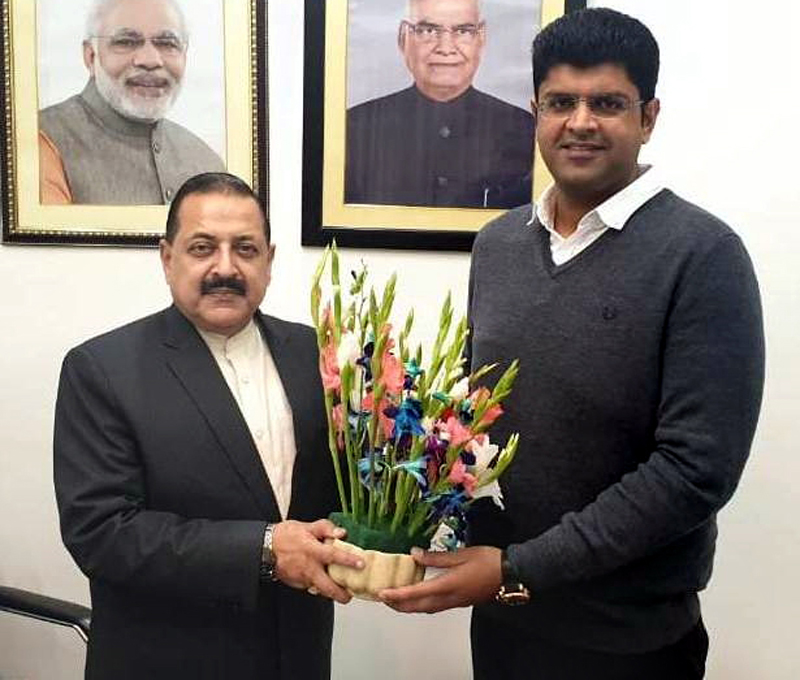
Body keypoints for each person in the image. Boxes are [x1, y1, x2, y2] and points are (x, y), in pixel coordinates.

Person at [380, 9, 765, 680]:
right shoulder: (498, 245)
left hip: (628, 642)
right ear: (535, 113)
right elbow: (476, 423)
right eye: (560, 102)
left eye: (607, 103)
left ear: (648, 117)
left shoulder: (703, 255)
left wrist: (517, 567)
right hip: (503, 622)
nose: (580, 122)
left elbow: (694, 471)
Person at [53, 172, 363, 679]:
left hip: (298, 657)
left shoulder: (320, 355)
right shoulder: (103, 369)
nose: (225, 267)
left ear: (269, 261)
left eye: (245, 248)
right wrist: (265, 548)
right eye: (203, 248)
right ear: (167, 258)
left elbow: (352, 487)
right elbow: (102, 533)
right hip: (166, 661)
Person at [345, 0, 534, 208]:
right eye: (428, 30)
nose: (445, 49)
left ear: (481, 39)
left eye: (463, 31)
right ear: (403, 39)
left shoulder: (524, 129)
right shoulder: (355, 128)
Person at [39, 0, 224, 205]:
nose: (150, 60)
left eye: (167, 44)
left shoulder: (206, 163)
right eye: (126, 42)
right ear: (91, 56)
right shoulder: (41, 141)